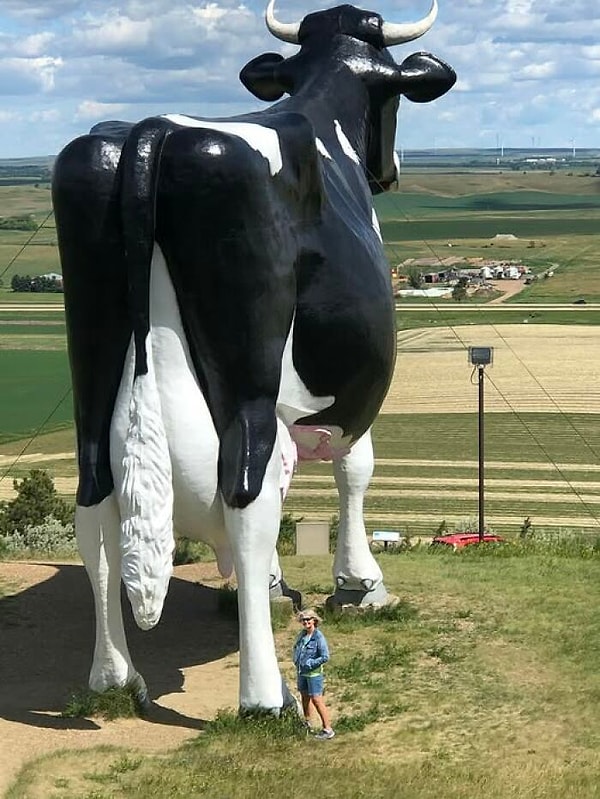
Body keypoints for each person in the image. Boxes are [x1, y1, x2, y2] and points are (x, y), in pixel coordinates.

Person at [292, 610, 335, 740]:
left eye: (308, 619)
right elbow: (296, 648)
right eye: (303, 620)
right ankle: (307, 723)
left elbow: (325, 656)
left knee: (317, 699)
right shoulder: (302, 635)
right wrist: (296, 659)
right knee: (305, 697)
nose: (306, 622)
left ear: (314, 620)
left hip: (314, 674)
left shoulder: (318, 637)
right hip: (302, 672)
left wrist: (311, 663)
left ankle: (328, 729)